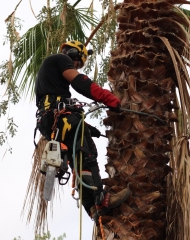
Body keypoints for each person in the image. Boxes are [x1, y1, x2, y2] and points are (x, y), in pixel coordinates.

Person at [35, 40, 130, 223]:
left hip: (51, 122)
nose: (76, 67)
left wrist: (87, 127)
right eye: (77, 63)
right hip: (60, 117)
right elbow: (80, 83)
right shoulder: (60, 59)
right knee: (87, 153)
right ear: (72, 53)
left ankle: (92, 208)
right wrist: (108, 98)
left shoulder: (49, 75)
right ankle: (101, 199)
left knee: (76, 161)